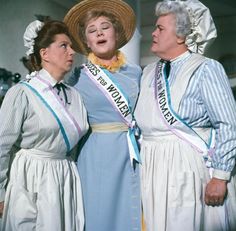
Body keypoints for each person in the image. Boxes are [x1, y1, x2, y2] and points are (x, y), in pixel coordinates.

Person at [135, 0, 236, 230]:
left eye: (160, 28)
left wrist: (220, 176)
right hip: (151, 167)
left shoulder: (205, 68)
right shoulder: (149, 72)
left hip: (185, 168)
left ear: (181, 36)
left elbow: (228, 124)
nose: (154, 33)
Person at [0, 20, 88, 231]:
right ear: (44, 53)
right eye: (64, 46)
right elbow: (1, 145)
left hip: (65, 176)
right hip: (32, 175)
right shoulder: (22, 93)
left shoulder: (74, 95)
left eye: (71, 46)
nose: (72, 52)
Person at [64, 0, 142, 230]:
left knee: (130, 212)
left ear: (116, 33)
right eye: (92, 30)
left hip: (131, 152)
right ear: (86, 41)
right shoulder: (78, 77)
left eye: (105, 26)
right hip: (97, 153)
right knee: (98, 212)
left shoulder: (136, 72)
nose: (99, 32)